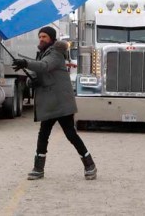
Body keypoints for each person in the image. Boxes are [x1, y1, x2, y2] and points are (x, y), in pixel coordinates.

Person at [12, 26, 97, 180]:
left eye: (44, 36)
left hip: (60, 103)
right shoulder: (44, 53)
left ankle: (89, 165)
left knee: (70, 134)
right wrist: (33, 82)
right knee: (43, 134)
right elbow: (41, 74)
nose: (41, 39)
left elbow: (44, 66)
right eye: (40, 37)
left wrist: (25, 62)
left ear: (51, 38)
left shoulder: (56, 53)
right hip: (50, 102)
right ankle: (38, 169)